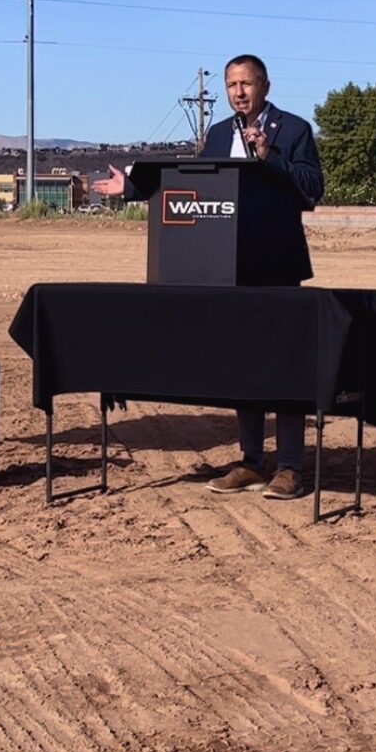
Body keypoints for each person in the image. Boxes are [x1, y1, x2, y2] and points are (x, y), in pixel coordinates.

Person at [103, 54, 324, 500]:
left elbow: (312, 189)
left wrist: (270, 157)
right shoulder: (219, 134)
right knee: (244, 365)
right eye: (230, 85)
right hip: (228, 264)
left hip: (276, 263)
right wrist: (131, 189)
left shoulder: (295, 130)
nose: (238, 92)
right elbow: (197, 186)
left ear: (264, 85)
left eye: (246, 83)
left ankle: (291, 466)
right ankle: (250, 461)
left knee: (283, 363)